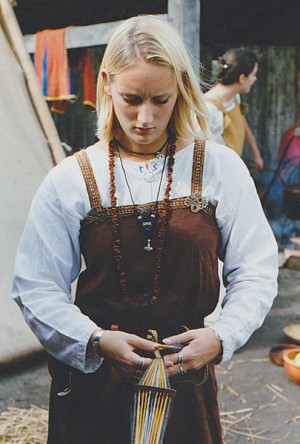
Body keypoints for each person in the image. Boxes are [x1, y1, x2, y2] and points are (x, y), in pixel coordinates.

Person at [12, 15, 278, 444]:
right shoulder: (73, 177)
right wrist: (94, 340)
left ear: (183, 92)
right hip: (93, 386)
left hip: (183, 381)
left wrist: (221, 336)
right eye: (131, 99)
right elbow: (36, 286)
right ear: (105, 85)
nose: (145, 118)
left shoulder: (218, 168)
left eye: (161, 99)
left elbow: (256, 269)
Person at [204, 47, 264, 170]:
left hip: (231, 167)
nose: (255, 79)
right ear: (242, 78)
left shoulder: (234, 97)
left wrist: (256, 153)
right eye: (253, 74)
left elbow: (241, 121)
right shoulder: (208, 110)